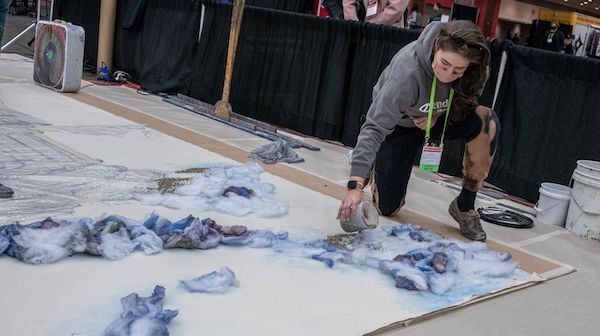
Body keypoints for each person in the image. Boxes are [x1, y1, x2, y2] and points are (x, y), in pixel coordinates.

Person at [337, 20, 499, 242]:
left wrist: (437, 116)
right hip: (401, 126)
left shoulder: (476, 69)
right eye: (444, 64)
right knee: (388, 207)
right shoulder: (407, 73)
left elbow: (466, 100)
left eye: (458, 70)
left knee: (486, 121)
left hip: (437, 121)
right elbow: (374, 127)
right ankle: (371, 165)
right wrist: (354, 185)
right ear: (435, 48)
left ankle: (465, 205)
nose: (449, 74)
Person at [342, 0, 410, 28]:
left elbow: (396, 9)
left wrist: (369, 26)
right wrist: (354, 25)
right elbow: (348, 3)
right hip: (358, 32)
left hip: (387, 32)